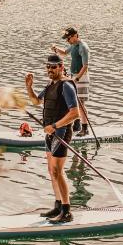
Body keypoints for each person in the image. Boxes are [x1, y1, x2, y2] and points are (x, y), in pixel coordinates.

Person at [25, 54, 79, 223]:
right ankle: (57, 206)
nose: (50, 69)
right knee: (51, 171)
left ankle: (67, 211)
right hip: (50, 134)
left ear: (61, 67)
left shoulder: (66, 86)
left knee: (58, 171)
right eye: (48, 66)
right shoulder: (50, 85)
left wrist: (55, 126)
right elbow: (36, 101)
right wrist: (29, 87)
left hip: (61, 133)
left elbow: (75, 113)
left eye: (54, 67)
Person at [51, 27, 90, 136]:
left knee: (81, 103)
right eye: (66, 39)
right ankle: (77, 125)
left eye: (68, 38)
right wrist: (56, 49)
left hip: (81, 78)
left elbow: (85, 66)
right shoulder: (73, 45)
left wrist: (77, 79)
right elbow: (64, 53)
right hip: (74, 76)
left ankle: (85, 128)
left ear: (75, 35)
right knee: (73, 102)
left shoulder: (83, 47)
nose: (67, 41)